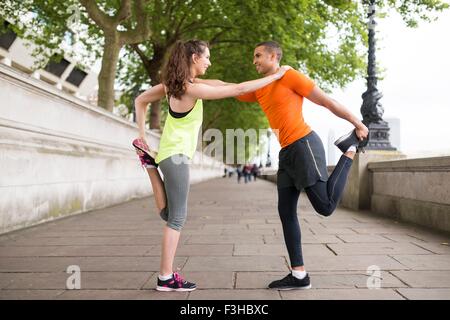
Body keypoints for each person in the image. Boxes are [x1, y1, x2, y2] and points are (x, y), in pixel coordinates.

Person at [194, 41, 369, 290]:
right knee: (286, 212)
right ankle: (299, 275)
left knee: (325, 206)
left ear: (274, 56)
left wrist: (358, 123)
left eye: (258, 55)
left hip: (304, 144)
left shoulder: (290, 76)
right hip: (287, 153)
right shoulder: (260, 87)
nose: (253, 60)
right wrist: (191, 80)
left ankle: (349, 149)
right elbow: (227, 87)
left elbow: (327, 102)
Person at [132, 39, 290, 292]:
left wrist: (142, 136)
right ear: (194, 57)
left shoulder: (176, 85)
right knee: (176, 219)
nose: (210, 61)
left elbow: (141, 100)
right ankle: (165, 277)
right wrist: (276, 76)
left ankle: (149, 165)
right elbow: (237, 90)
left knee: (169, 214)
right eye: (206, 57)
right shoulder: (190, 89)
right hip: (177, 157)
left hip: (168, 155)